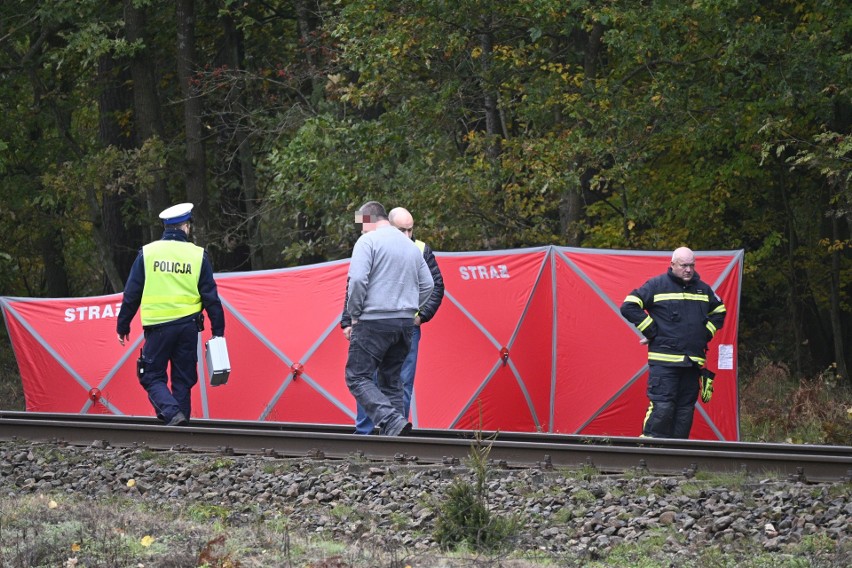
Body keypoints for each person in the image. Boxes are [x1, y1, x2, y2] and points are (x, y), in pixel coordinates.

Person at [116, 203, 225, 426]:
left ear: (167, 227)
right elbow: (211, 297)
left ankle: (172, 413)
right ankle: (180, 428)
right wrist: (218, 331)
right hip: (188, 328)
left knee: (150, 374)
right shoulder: (198, 255)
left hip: (158, 328)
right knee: (182, 380)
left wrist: (123, 325)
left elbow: (132, 293)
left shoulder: (148, 253)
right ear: (185, 227)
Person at [341, 207, 445, 434]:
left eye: (361, 225)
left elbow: (357, 280)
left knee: (357, 376)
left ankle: (390, 421)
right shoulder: (412, 246)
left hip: (373, 322)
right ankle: (397, 441)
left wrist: (355, 314)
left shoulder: (367, 241)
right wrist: (410, 308)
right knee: (393, 382)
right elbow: (429, 284)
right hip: (405, 324)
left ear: (367, 221)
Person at [620, 247, 726, 438]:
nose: (688, 269)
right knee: (663, 407)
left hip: (692, 363)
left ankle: (677, 457)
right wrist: (651, 330)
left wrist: (704, 334)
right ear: (672, 265)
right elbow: (629, 305)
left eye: (692, 265)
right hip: (664, 363)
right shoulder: (657, 285)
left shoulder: (703, 289)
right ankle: (648, 452)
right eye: (684, 265)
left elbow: (720, 312)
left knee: (685, 412)